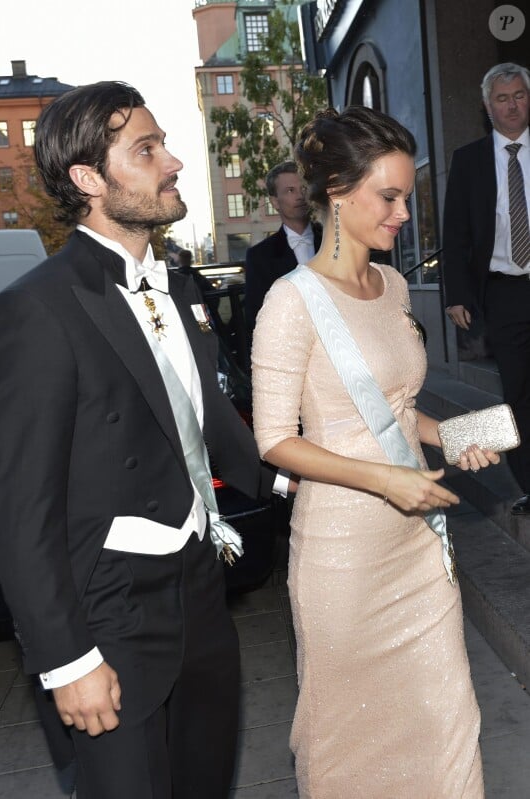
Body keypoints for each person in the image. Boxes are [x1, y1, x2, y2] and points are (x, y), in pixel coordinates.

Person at [0, 81, 283, 799]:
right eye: (146, 150)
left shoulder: (182, 291)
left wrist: (303, 478)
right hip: (105, 617)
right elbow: (19, 514)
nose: (173, 162)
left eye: (164, 144)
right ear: (89, 180)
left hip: (202, 592)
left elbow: (207, 423)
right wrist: (66, 658)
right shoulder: (35, 312)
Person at [251, 105, 499, 798]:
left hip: (419, 549)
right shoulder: (289, 302)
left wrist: (456, 435)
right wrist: (385, 481)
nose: (401, 214)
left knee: (448, 719)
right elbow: (273, 438)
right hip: (345, 552)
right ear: (336, 190)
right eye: (388, 197)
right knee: (351, 740)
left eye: (405, 197)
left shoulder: (391, 286)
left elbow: (394, 408)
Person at [442, 63, 530, 515]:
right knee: (517, 390)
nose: (512, 105)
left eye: (519, 95)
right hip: (504, 293)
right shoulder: (470, 159)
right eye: (502, 98)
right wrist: (456, 293)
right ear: (486, 106)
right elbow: (454, 232)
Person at [244, 160, 322, 338]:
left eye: (303, 188)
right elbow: (257, 317)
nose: (300, 196)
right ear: (275, 202)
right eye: (290, 191)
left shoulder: (333, 240)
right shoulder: (259, 256)